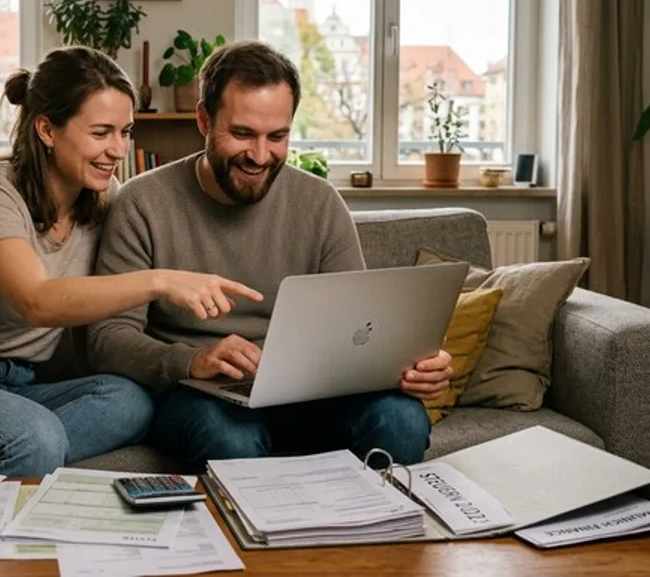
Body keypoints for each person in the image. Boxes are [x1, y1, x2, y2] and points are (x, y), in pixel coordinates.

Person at [0, 46, 263, 477]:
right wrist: (160, 280)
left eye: (126, 132)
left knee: (131, 401)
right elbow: (38, 302)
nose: (118, 150)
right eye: (100, 133)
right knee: (33, 436)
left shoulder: (105, 199)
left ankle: (12, 452)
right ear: (47, 130)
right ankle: (21, 452)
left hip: (20, 387)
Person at [86, 40, 453, 473]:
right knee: (230, 439)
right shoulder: (143, 201)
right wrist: (192, 361)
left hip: (312, 394)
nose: (260, 156)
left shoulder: (319, 202)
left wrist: (418, 362)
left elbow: (359, 325)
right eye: (242, 134)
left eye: (276, 137)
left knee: (402, 420)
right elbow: (106, 338)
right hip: (201, 394)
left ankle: (357, 532)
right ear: (204, 119)